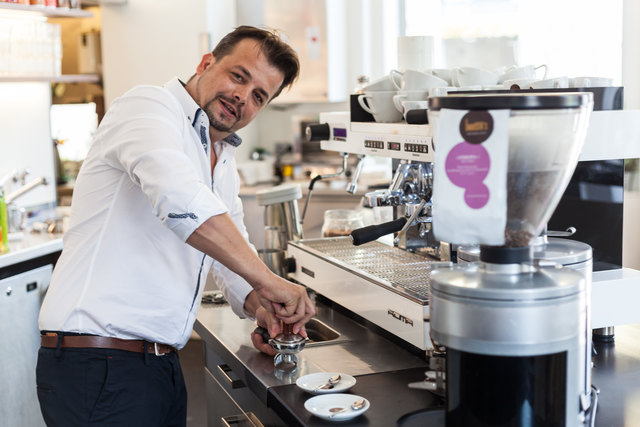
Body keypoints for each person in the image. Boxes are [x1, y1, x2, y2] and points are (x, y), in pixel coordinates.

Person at [36, 25, 315, 426]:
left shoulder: (220, 155)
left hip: (157, 363)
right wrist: (273, 283)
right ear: (206, 63)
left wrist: (263, 308)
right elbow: (182, 203)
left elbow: (226, 259)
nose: (242, 97)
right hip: (98, 361)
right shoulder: (148, 106)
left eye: (259, 96)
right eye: (239, 76)